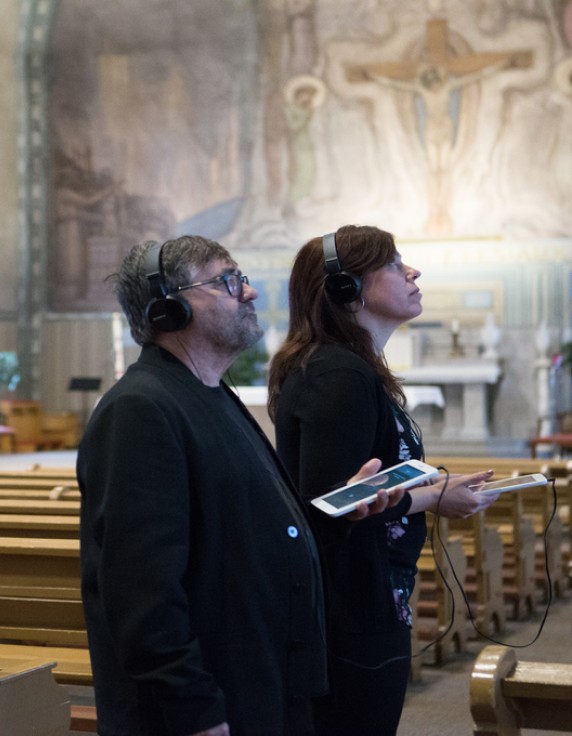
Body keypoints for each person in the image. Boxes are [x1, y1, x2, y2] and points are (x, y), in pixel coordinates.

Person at [77, 234, 394, 735]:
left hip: (259, 688)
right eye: (228, 280)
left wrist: (338, 513)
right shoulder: (139, 410)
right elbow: (142, 592)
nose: (248, 292)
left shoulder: (211, 396)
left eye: (240, 278)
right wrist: (196, 713)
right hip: (207, 711)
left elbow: (248, 534)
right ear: (169, 309)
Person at [267, 225, 497, 735]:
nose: (412, 272)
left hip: (360, 601)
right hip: (350, 610)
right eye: (394, 264)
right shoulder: (337, 374)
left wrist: (427, 487)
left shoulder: (345, 368)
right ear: (347, 289)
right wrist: (433, 496)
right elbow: (332, 504)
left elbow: (357, 485)